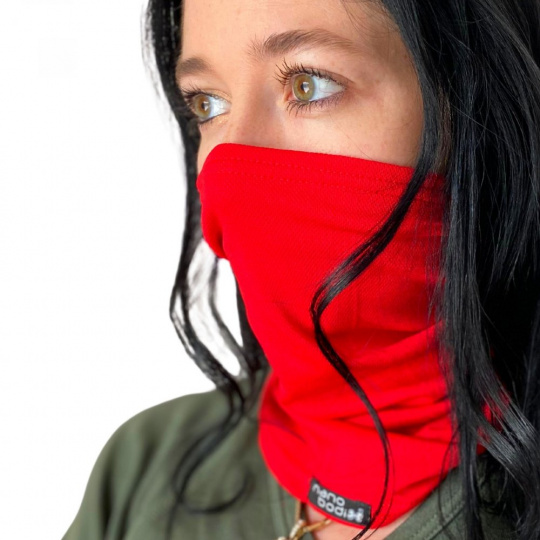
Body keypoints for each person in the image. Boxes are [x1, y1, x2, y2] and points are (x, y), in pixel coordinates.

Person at [62, 0, 540, 539]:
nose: (232, 163)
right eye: (207, 103)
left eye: (308, 84)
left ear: (476, 112)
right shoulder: (144, 470)